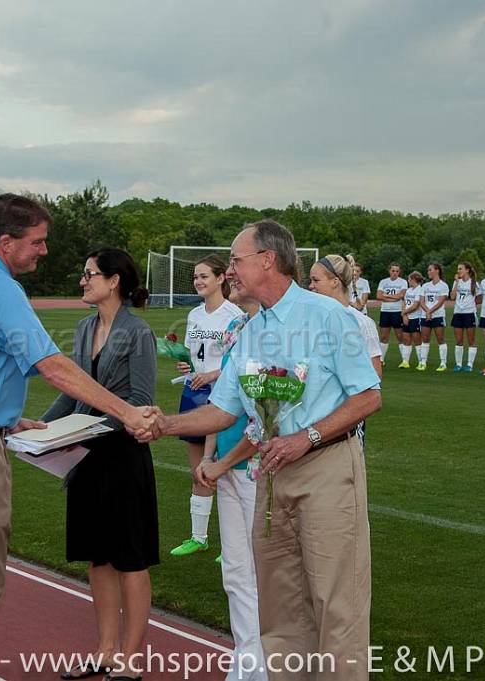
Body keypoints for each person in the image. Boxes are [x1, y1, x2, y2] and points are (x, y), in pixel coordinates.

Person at [0, 194, 156, 681]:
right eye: (37, 242)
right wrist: (128, 412)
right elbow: (54, 368)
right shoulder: (0, 290)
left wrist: (4, 418)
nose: (44, 251)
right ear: (6, 243)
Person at [140, 219, 382, 681]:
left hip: (326, 467)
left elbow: (369, 396)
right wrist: (166, 424)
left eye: (235, 260)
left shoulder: (329, 317)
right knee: (280, 607)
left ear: (267, 260)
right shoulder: (251, 329)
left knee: (337, 606)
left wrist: (305, 437)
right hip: (271, 475)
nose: (229, 270)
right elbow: (224, 409)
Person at [41, 248, 159, 681]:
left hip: (123, 458)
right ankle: (105, 652)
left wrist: (84, 428)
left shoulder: (138, 332)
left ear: (114, 281)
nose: (83, 280)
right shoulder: (84, 326)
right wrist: (44, 426)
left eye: (89, 274)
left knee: (130, 559)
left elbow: (141, 402)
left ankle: (130, 660)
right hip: (87, 459)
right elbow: (74, 392)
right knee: (99, 560)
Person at [194, 284, 268, 681]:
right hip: (226, 464)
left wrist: (223, 464)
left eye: (239, 266)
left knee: (263, 573)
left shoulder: (277, 334)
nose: (232, 276)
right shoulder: (237, 327)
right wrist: (209, 456)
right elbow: (220, 402)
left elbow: (266, 419)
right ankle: (246, 660)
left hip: (257, 470)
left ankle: (268, 664)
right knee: (235, 572)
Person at [171, 255, 243, 557]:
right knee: (198, 467)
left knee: (225, 470)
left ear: (220, 279)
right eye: (196, 277)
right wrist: (186, 367)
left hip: (222, 396)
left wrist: (212, 374)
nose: (199, 281)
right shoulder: (195, 315)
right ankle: (198, 537)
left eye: (204, 276)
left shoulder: (235, 315)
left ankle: (232, 544)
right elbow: (192, 356)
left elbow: (238, 362)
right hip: (194, 394)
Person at [308, 254, 383, 451]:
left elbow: (375, 378)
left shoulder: (361, 323)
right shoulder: (310, 320)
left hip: (344, 424)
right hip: (310, 418)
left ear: (335, 281)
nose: (310, 286)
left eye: (316, 280)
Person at [375, 262, 409, 368]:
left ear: (399, 272)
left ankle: (404, 360)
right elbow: (378, 296)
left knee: (400, 336)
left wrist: (386, 296)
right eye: (393, 271)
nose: (395, 273)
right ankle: (381, 360)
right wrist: (394, 297)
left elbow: (401, 295)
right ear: (389, 271)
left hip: (397, 311)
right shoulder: (383, 282)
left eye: (397, 271)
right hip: (385, 311)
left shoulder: (403, 282)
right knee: (384, 337)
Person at [449, 261, 480, 372]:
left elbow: (479, 298)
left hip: (469, 314)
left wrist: (470, 305)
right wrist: (457, 283)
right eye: (458, 269)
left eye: (460, 268)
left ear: (467, 270)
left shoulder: (474, 283)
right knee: (458, 341)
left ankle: (469, 365)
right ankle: (458, 364)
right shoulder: (457, 282)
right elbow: (452, 297)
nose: (458, 271)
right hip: (458, 313)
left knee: (471, 340)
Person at [418, 263, 449, 372]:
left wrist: (430, 312)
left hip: (438, 315)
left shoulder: (443, 285)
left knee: (440, 339)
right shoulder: (425, 286)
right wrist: (427, 312)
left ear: (437, 271)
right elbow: (421, 301)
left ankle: (443, 363)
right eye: (428, 270)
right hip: (425, 315)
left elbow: (441, 301)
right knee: (425, 339)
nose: (428, 272)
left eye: (430, 270)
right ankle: (422, 362)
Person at [401, 271, 426, 368]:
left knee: (417, 340)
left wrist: (404, 313)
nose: (408, 281)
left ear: (414, 279)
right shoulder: (408, 290)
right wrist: (404, 316)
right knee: (406, 339)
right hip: (407, 317)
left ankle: (421, 362)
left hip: (416, 317)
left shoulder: (420, 290)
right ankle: (405, 361)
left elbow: (416, 305)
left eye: (409, 279)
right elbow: (404, 302)